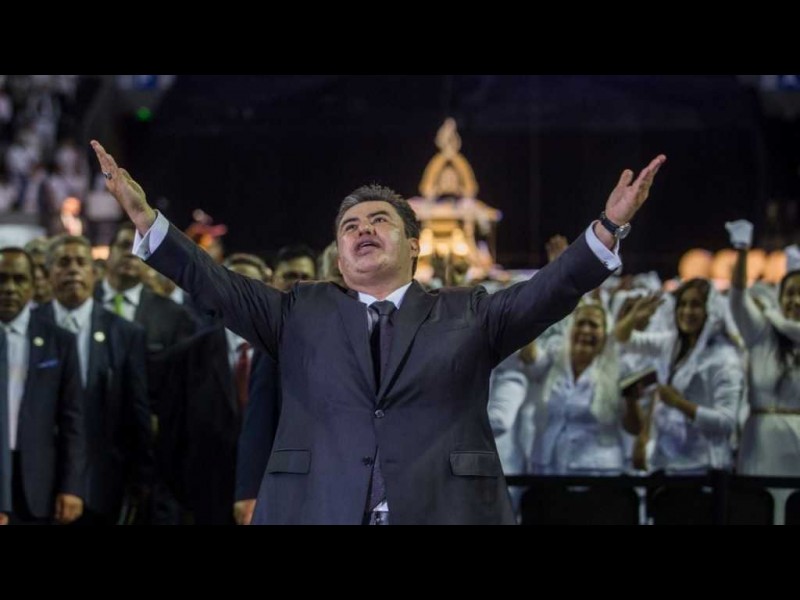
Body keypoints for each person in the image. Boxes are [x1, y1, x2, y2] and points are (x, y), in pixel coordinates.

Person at [91, 139, 665, 525]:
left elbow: (550, 290)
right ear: (340, 254)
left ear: (414, 244)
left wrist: (608, 227)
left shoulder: (469, 311)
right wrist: (147, 222)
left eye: (379, 221)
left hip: (443, 510)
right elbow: (213, 282)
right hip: (319, 509)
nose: (362, 230)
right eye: (350, 226)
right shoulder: (298, 311)